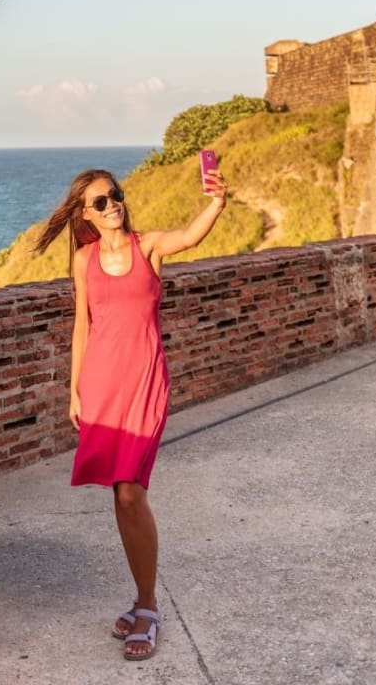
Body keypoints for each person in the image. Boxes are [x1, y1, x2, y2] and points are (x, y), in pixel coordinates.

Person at [33, 165, 228, 661]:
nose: (112, 205)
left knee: (129, 492)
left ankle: (148, 605)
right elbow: (82, 327)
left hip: (144, 383)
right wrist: (75, 391)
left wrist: (216, 203)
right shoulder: (84, 260)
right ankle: (143, 598)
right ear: (86, 213)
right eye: (100, 202)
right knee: (119, 498)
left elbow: (189, 235)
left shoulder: (149, 247)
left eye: (114, 196)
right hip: (101, 385)